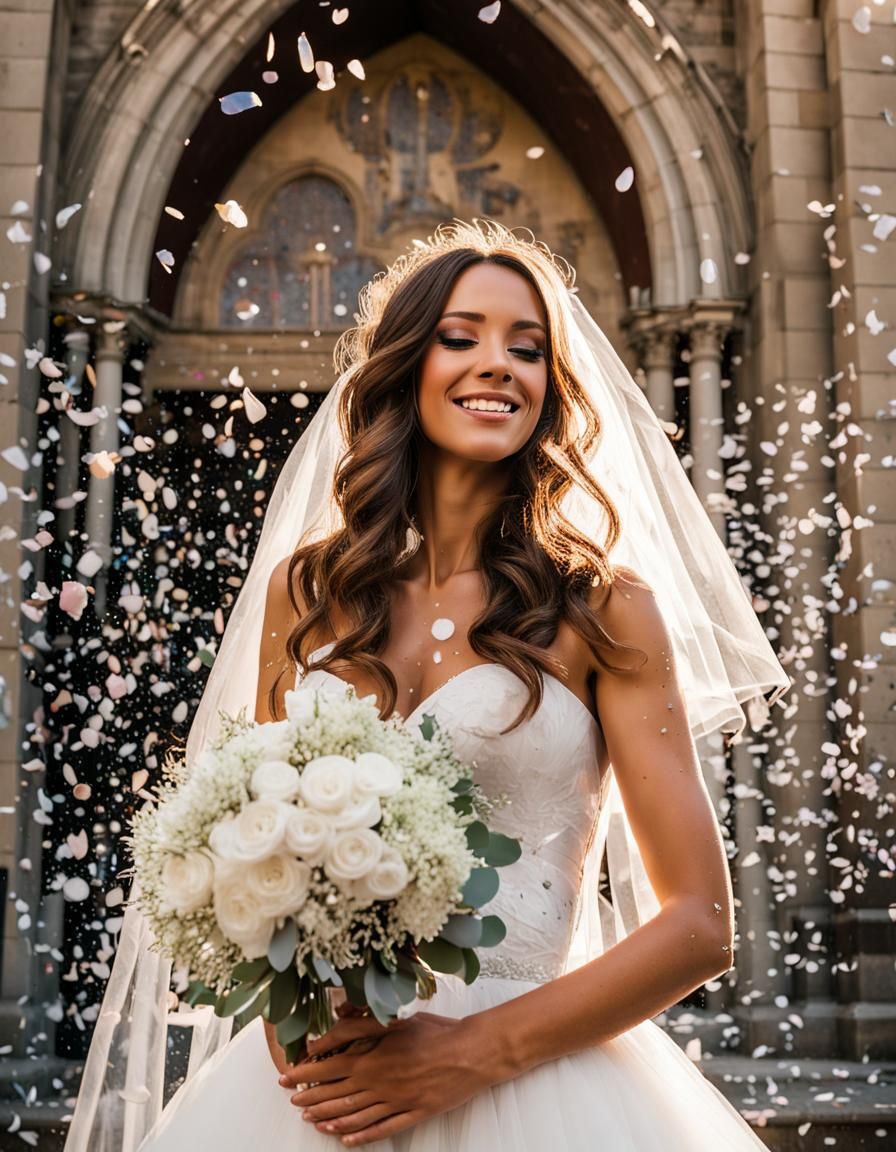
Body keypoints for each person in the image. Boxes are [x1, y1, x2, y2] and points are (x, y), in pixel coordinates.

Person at [64, 221, 790, 1152]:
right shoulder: (310, 593)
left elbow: (698, 925)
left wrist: (473, 1053)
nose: (499, 366)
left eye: (527, 349)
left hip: (536, 1083)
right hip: (324, 1089)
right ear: (406, 365)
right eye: (462, 336)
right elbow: (258, 852)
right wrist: (294, 1021)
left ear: (550, 388)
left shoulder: (603, 607)